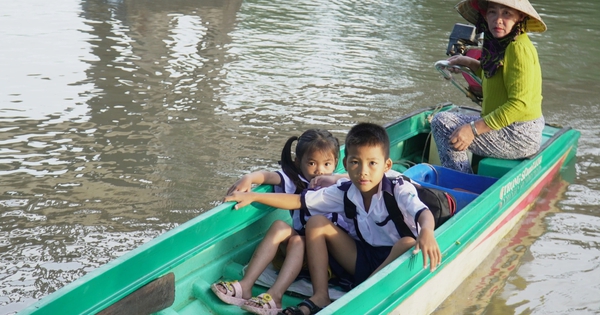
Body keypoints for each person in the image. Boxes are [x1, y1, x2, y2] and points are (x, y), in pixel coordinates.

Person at [225, 122, 441, 315]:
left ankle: (363, 291)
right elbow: (300, 201)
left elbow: (423, 213)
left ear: (386, 166)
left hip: (393, 256)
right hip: (360, 256)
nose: (363, 172)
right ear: (346, 164)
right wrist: (254, 195)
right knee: (316, 222)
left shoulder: (398, 189)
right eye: (356, 162)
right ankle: (321, 295)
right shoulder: (345, 190)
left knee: (408, 242)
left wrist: (427, 232)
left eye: (372, 164)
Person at [210, 129, 347, 315]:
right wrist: (248, 178)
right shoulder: (296, 180)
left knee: (298, 240)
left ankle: (275, 296)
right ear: (298, 163)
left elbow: (348, 181)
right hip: (300, 248)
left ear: (336, 164)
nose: (319, 170)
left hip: (326, 257)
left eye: (327, 164)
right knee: (279, 227)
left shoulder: (336, 185)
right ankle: (245, 285)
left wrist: (255, 197)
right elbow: (267, 176)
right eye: (312, 163)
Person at [430, 0, 547, 173]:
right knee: (445, 119)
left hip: (519, 133)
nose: (498, 20)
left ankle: (461, 180)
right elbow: (493, 77)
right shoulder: (500, 43)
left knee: (444, 124)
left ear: (519, 17)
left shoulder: (518, 48)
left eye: (506, 13)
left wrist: (472, 130)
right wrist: (468, 62)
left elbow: (519, 104)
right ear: (485, 15)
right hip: (507, 125)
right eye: (493, 12)